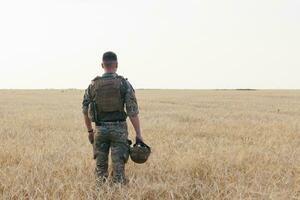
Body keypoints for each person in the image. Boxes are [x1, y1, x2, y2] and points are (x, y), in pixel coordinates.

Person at [82, 51, 144, 184]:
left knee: (100, 169)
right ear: (116, 64)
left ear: (102, 65)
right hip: (119, 130)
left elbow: (85, 110)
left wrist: (90, 131)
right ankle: (118, 194)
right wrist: (138, 134)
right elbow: (132, 112)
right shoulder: (124, 84)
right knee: (118, 169)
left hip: (100, 130)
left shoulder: (93, 85)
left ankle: (100, 194)